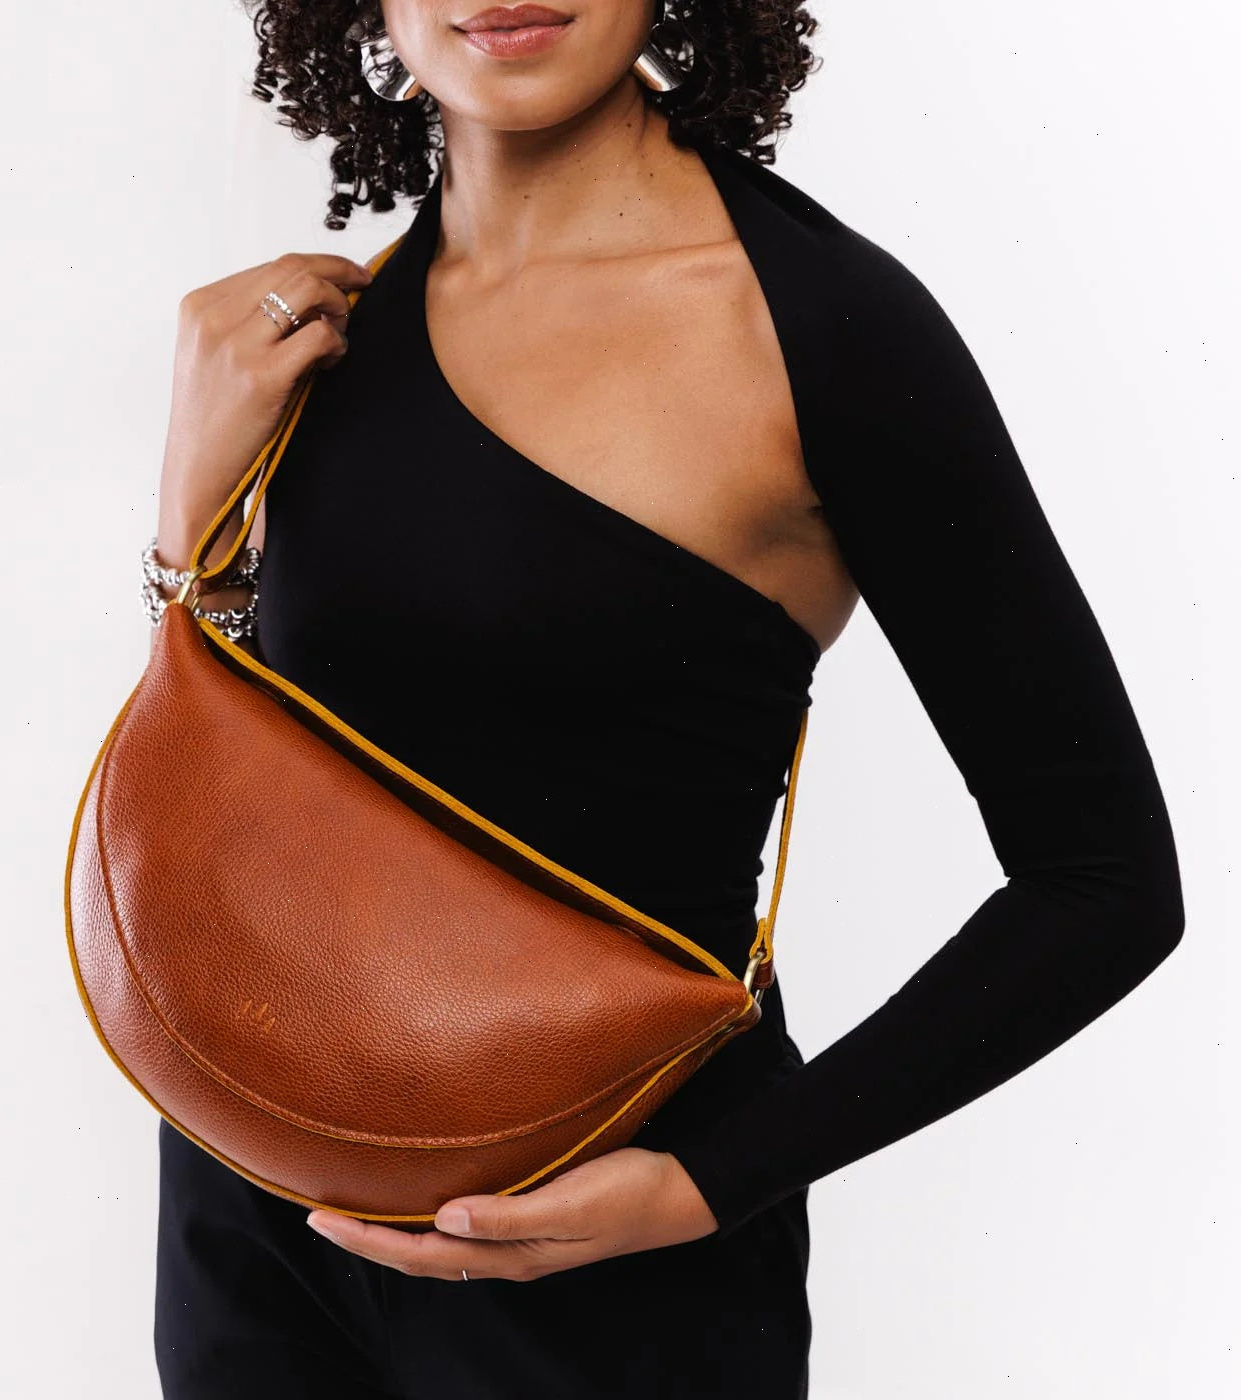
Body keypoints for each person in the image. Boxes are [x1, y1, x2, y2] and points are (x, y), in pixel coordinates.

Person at [142, 3, 1186, 1396]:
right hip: (251, 1230)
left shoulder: (819, 328)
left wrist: (712, 1185)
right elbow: (250, 799)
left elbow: (1106, 880)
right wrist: (192, 536)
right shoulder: (319, 332)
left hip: (610, 1273)